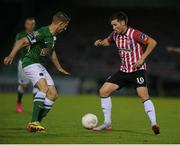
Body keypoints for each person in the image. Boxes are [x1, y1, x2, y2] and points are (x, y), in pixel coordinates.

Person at [93, 11, 160, 135]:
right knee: (103, 91)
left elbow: (152, 42)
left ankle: (154, 123)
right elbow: (108, 42)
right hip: (123, 71)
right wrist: (100, 43)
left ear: (123, 23)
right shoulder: (115, 34)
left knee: (143, 96)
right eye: (112, 25)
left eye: (115, 25)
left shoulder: (134, 33)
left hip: (137, 71)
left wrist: (142, 58)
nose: (113, 28)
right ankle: (107, 123)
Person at [4, 11, 70, 132]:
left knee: (53, 95)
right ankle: (33, 121)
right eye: (65, 26)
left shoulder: (53, 36)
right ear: (60, 24)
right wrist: (11, 55)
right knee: (43, 88)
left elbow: (52, 51)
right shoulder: (42, 32)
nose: (65, 28)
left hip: (39, 65)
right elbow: (21, 41)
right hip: (30, 63)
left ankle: (36, 124)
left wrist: (59, 67)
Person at [15, 17, 38, 113]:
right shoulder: (20, 35)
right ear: (25, 25)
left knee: (38, 85)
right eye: (29, 24)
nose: (31, 26)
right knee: (23, 85)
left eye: (32, 24)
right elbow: (17, 46)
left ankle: (36, 107)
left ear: (34, 25)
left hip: (35, 63)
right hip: (24, 63)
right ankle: (19, 101)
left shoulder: (38, 34)